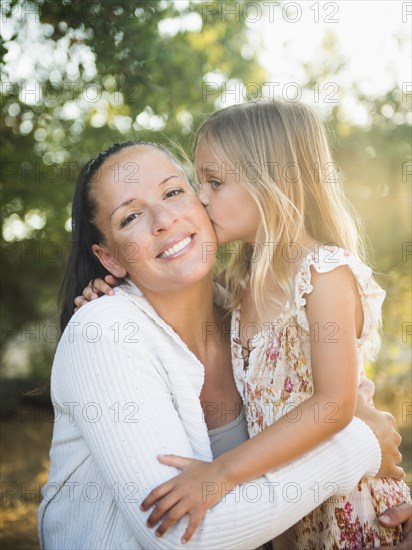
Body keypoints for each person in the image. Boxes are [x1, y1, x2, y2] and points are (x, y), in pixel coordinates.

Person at [40, 139, 404, 550]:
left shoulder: (255, 321)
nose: (163, 220)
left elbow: (330, 413)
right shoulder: (105, 331)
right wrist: (360, 446)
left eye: (173, 192)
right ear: (110, 258)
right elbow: (181, 535)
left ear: (203, 201)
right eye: (131, 217)